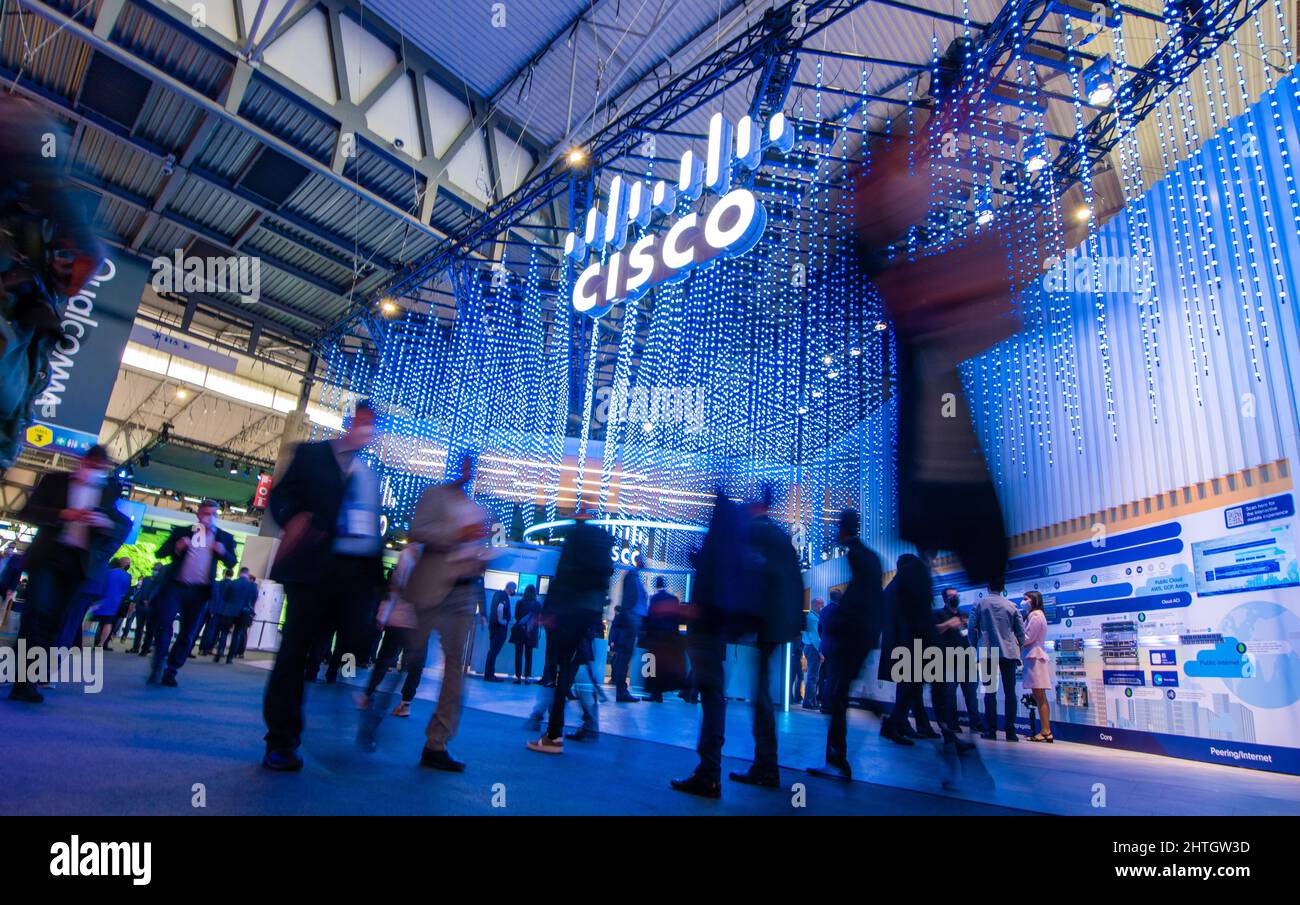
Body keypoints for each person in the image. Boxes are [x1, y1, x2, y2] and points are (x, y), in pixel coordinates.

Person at [262, 401, 385, 771]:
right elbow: (279, 497)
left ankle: (348, 724)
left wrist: (381, 594)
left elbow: (371, 533)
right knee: (295, 653)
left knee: (354, 648)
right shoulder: (311, 455)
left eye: (373, 427)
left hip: (351, 579)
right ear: (350, 423)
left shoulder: (368, 474)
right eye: (364, 423)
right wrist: (295, 519)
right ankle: (281, 740)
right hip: (311, 569)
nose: (368, 431)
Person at [8, 445, 130, 703]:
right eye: (93, 466)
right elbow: (28, 511)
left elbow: (120, 524)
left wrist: (103, 524)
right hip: (49, 559)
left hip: (80, 565)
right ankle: (23, 681)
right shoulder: (55, 481)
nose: (95, 472)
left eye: (101, 469)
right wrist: (64, 514)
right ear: (83, 461)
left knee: (58, 621)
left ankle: (30, 673)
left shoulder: (109, 490)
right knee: (38, 614)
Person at [395, 455, 490, 771]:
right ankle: (376, 706)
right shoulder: (434, 495)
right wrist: (456, 535)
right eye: (463, 464)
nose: (468, 471)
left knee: (454, 673)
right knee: (408, 656)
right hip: (428, 591)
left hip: (462, 595)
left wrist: (481, 557)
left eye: (472, 466)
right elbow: (417, 530)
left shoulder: (478, 510)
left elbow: (473, 551)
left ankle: (436, 743)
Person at [670, 490, 749, 799]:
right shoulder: (730, 548)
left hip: (706, 632)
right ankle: (709, 770)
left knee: (712, 700)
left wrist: (691, 610)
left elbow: (712, 593)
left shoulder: (718, 547)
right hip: (714, 633)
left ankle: (709, 771)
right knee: (713, 698)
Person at [727, 487, 804, 789]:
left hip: (767, 621)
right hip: (779, 622)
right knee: (761, 692)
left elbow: (752, 572)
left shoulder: (756, 531)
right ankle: (765, 764)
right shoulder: (779, 534)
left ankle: (766, 765)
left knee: (760, 695)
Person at [527, 510, 613, 755]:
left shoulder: (574, 538)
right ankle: (579, 724)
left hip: (568, 611)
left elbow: (562, 576)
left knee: (561, 670)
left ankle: (553, 735)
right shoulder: (601, 543)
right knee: (573, 668)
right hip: (589, 614)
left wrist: (547, 610)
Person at [809, 510, 883, 780]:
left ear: (842, 530)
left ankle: (836, 760)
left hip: (851, 637)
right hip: (865, 636)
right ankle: (838, 757)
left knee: (835, 697)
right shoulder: (872, 557)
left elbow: (858, 595)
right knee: (841, 692)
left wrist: (839, 620)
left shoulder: (855, 554)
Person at [147, 500, 237, 687]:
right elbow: (160, 553)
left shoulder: (224, 537)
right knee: (164, 625)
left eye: (214, 514)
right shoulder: (183, 532)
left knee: (188, 633)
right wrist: (177, 547)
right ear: (198, 514)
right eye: (206, 513)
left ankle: (172, 670)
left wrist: (223, 552)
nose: (209, 517)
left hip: (200, 591)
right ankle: (158, 663)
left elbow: (231, 562)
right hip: (175, 587)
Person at [358, 542, 423, 722]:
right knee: (415, 666)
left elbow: (394, 588)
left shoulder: (407, 555)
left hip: (400, 619)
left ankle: (367, 696)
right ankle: (405, 703)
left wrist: (383, 615)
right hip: (420, 623)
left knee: (385, 660)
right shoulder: (433, 558)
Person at [879, 553, 940, 744]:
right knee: (909, 687)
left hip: (902, 646)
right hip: (906, 646)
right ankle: (899, 724)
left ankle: (913, 724)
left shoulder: (892, 588)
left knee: (911, 687)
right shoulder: (900, 590)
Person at [968, 580, 1025, 741]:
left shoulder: (980, 603)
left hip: (987, 651)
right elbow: (1020, 631)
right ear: (1003, 588)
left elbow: (972, 627)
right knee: (1010, 692)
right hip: (1009, 652)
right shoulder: (1011, 605)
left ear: (988, 587)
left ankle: (991, 731)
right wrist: (1019, 645)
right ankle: (1010, 732)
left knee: (989, 692)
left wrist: (974, 644)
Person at [933, 587, 984, 733]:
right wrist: (948, 624)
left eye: (956, 595)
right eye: (951, 596)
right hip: (948, 660)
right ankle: (952, 724)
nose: (954, 598)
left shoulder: (964, 614)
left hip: (966, 659)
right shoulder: (939, 614)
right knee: (949, 694)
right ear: (944, 599)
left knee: (971, 694)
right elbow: (934, 630)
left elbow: (971, 633)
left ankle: (976, 722)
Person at [642, 576, 685, 703]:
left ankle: (654, 693)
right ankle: (660, 692)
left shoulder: (654, 598)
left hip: (657, 636)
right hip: (670, 637)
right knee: (665, 666)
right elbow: (677, 619)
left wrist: (647, 635)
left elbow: (651, 618)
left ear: (656, 585)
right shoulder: (674, 599)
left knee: (652, 665)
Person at [610, 567, 647, 702]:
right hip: (631, 619)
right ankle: (621, 690)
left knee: (626, 656)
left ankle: (622, 689)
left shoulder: (635, 577)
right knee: (624, 656)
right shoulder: (631, 576)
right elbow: (630, 599)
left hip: (634, 619)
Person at [1021, 590, 1053, 742]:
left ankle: (1046, 730)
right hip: (1035, 657)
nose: (1024, 601)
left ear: (1033, 600)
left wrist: (1015, 638)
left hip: (1035, 657)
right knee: (1039, 696)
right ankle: (1045, 730)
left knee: (1039, 695)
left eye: (1026, 599)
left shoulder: (1035, 616)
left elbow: (1028, 637)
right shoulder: (1037, 615)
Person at [212, 567, 258, 664]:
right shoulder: (252, 586)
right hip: (244, 612)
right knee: (237, 634)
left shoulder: (232, 583)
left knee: (224, 632)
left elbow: (225, 597)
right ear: (247, 574)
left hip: (229, 611)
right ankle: (230, 657)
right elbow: (254, 599)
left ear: (239, 573)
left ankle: (220, 652)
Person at [89, 558, 132, 650]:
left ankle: (80, 641)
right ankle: (101, 644)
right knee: (108, 623)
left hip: (101, 600)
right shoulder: (127, 576)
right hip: (114, 603)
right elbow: (125, 591)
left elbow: (101, 584)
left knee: (90, 620)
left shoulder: (108, 572)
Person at [125, 563, 163, 654]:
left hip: (152, 608)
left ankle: (145, 648)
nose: (155, 571)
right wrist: (140, 601)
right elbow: (142, 591)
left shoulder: (161, 582)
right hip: (141, 606)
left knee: (150, 629)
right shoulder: (146, 579)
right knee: (139, 628)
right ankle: (135, 647)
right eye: (154, 569)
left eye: (157, 570)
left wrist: (150, 601)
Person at [816, 588, 842, 713]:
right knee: (833, 678)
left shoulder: (823, 611)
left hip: (825, 646)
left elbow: (820, 629)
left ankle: (824, 702)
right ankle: (827, 705)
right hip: (836, 647)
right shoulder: (839, 610)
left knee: (826, 677)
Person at [483, 581, 514, 682]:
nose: (514, 591)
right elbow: (500, 608)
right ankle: (489, 675)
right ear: (510, 588)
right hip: (499, 628)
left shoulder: (497, 594)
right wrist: (501, 620)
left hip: (493, 625)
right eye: (514, 589)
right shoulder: (504, 596)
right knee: (494, 651)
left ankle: (488, 674)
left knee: (492, 650)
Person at [509, 583, 541, 683]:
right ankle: (527, 678)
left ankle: (518, 677)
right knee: (529, 655)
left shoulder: (519, 603)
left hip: (520, 631)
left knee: (518, 654)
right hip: (531, 632)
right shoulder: (538, 604)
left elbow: (517, 616)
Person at [798, 597, 824, 709]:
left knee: (814, 676)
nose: (822, 608)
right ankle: (808, 702)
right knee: (813, 677)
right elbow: (815, 638)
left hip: (809, 647)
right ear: (816, 605)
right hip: (813, 648)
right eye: (821, 605)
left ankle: (812, 701)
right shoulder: (813, 619)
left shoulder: (812, 617)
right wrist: (821, 652)